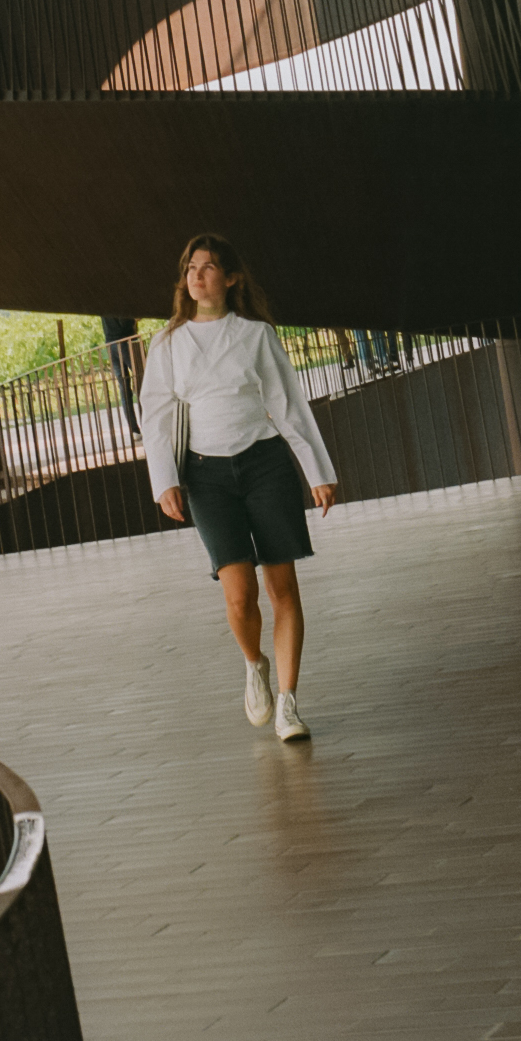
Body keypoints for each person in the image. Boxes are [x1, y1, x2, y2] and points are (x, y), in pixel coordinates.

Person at [139, 232, 339, 742]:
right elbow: (157, 416)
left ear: (231, 278)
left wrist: (318, 473)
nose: (197, 276)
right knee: (239, 597)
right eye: (190, 268)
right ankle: (255, 664)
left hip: (265, 465)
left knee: (282, 587)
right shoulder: (167, 343)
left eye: (208, 268)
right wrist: (165, 480)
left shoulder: (255, 335)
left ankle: (290, 704)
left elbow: (289, 404)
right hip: (206, 476)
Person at [99, 313, 141, 442]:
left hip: (110, 343)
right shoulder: (119, 298)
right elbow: (125, 320)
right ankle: (148, 423)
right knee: (142, 381)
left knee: (124, 388)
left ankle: (134, 430)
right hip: (127, 341)